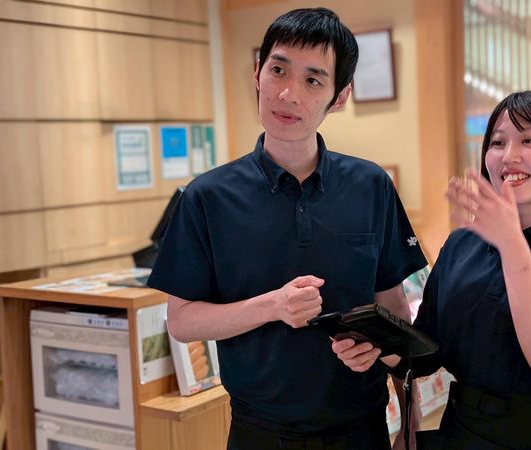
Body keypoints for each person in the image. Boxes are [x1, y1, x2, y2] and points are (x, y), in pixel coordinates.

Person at [147, 7, 427, 450]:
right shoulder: (207, 197)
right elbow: (182, 321)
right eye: (278, 70)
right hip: (259, 433)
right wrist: (272, 306)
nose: (288, 93)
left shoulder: (371, 185)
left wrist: (407, 407)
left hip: (362, 430)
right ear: (257, 73)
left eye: (313, 80)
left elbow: (392, 309)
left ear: (339, 96)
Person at [333, 90, 531, 449]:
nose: (509, 156)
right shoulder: (462, 244)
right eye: (498, 142)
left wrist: (512, 244)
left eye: (529, 140)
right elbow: (425, 353)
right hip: (459, 434)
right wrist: (375, 345)